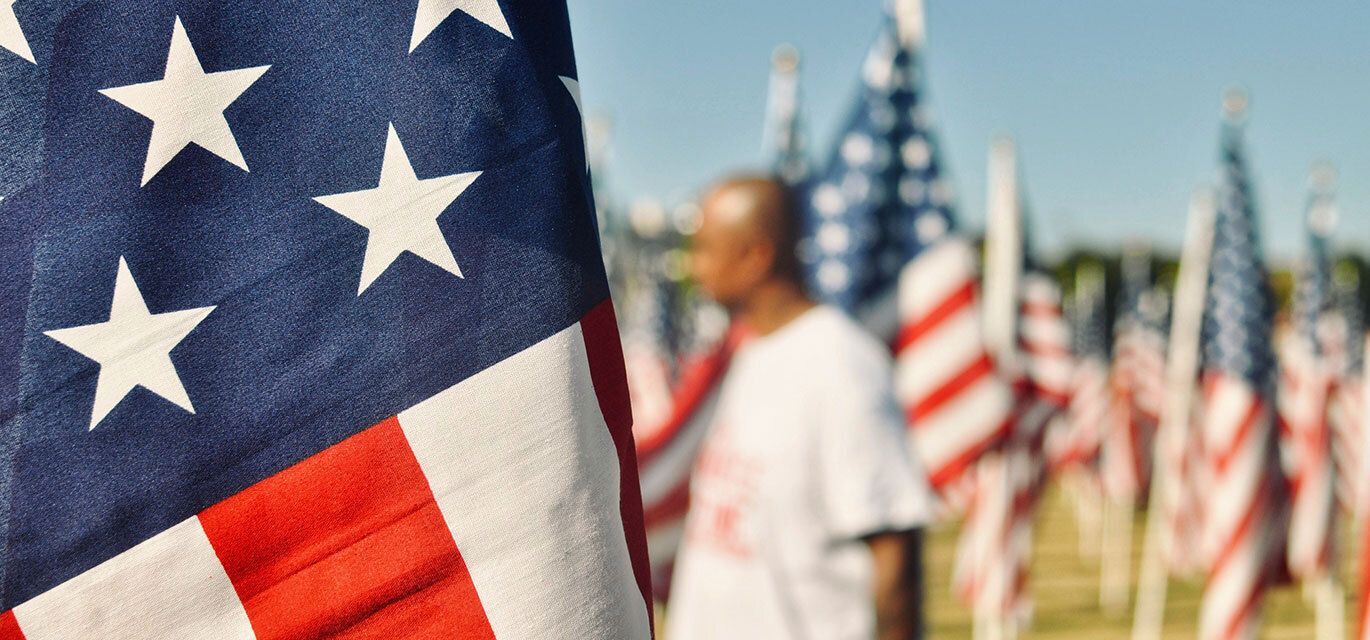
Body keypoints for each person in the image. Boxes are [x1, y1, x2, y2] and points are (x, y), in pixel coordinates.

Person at [665, 174, 935, 640]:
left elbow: (893, 556)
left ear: (755, 256)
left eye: (706, 248)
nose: (694, 266)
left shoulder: (840, 364)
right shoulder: (749, 353)